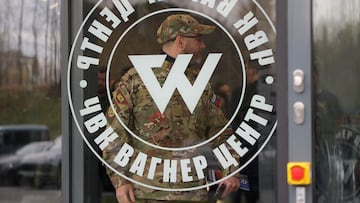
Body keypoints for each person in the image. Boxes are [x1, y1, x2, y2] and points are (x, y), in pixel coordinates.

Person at [103, 14, 240, 203]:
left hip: (192, 192)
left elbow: (220, 132)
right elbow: (114, 135)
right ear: (180, 42)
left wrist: (230, 170)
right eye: (198, 39)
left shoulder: (199, 83)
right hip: (146, 193)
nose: (203, 46)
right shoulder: (135, 81)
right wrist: (120, 181)